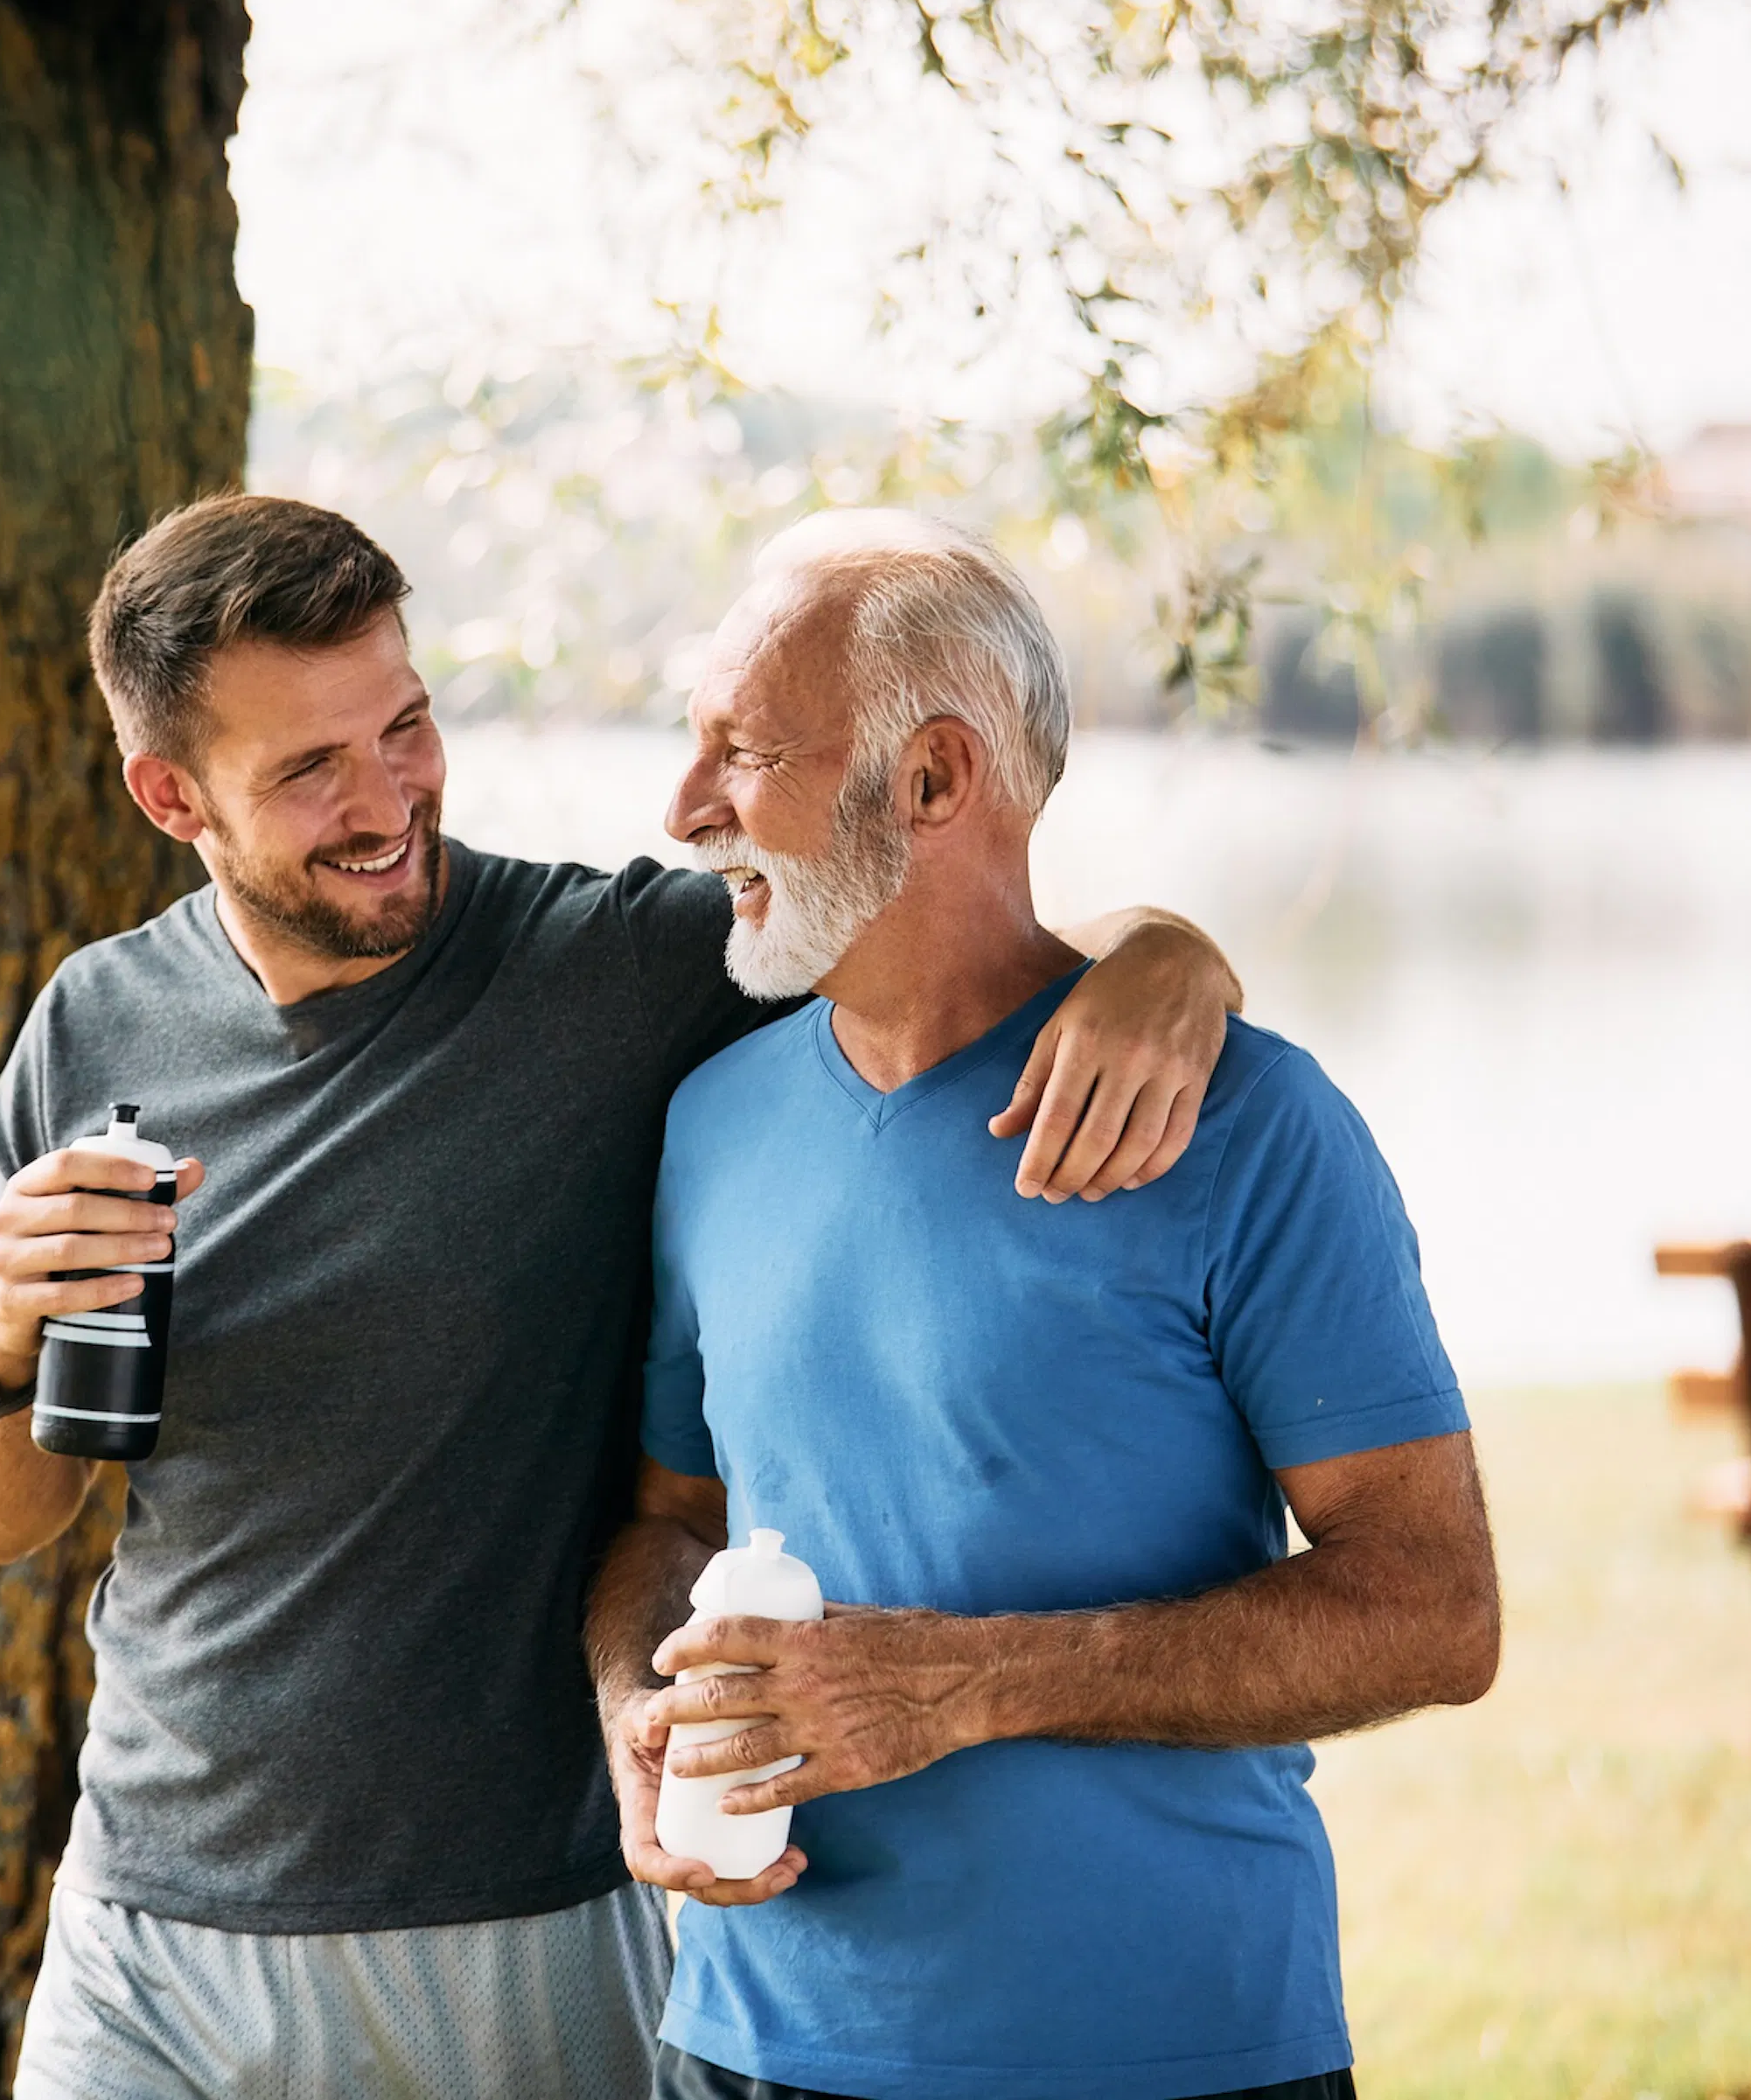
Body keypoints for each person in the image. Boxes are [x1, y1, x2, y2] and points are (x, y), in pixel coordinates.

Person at [0, 493, 1245, 2098]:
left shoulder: (609, 971)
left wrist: (1166, 953)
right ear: (168, 792)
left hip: (522, 1930)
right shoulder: (96, 1024)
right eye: (310, 767)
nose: (386, 797)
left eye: (402, 724)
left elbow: (952, 932)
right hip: (147, 1932)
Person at [588, 509, 1502, 2100]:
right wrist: (632, 1700)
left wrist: (975, 1683)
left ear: (934, 781)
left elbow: (1436, 1610)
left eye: (744, 754)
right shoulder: (711, 1120)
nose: (683, 813)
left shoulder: (1249, 1129)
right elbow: (672, 1514)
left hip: (1169, 2052)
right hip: (745, 2047)